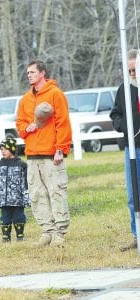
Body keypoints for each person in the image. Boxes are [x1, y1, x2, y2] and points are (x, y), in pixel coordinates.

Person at [16, 60, 72, 248]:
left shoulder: (55, 94)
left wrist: (60, 149)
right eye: (28, 73)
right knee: (37, 195)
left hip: (51, 155)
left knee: (56, 192)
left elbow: (62, 123)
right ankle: (46, 231)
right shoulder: (25, 99)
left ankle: (59, 232)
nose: (29, 75)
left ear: (42, 73)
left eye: (32, 72)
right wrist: (27, 127)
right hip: (32, 155)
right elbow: (19, 124)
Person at [110, 48, 140, 251]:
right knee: (133, 196)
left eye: (135, 69)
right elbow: (115, 114)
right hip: (132, 149)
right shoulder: (124, 89)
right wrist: (123, 125)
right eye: (129, 71)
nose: (132, 74)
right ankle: (137, 234)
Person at [0, 138, 30, 243]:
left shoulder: (22, 165)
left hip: (18, 199)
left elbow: (26, 182)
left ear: (12, 149)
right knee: (5, 218)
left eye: (5, 149)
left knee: (19, 217)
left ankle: (20, 236)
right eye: (1, 149)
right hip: (3, 200)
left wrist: (27, 196)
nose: (3, 151)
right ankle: (6, 237)